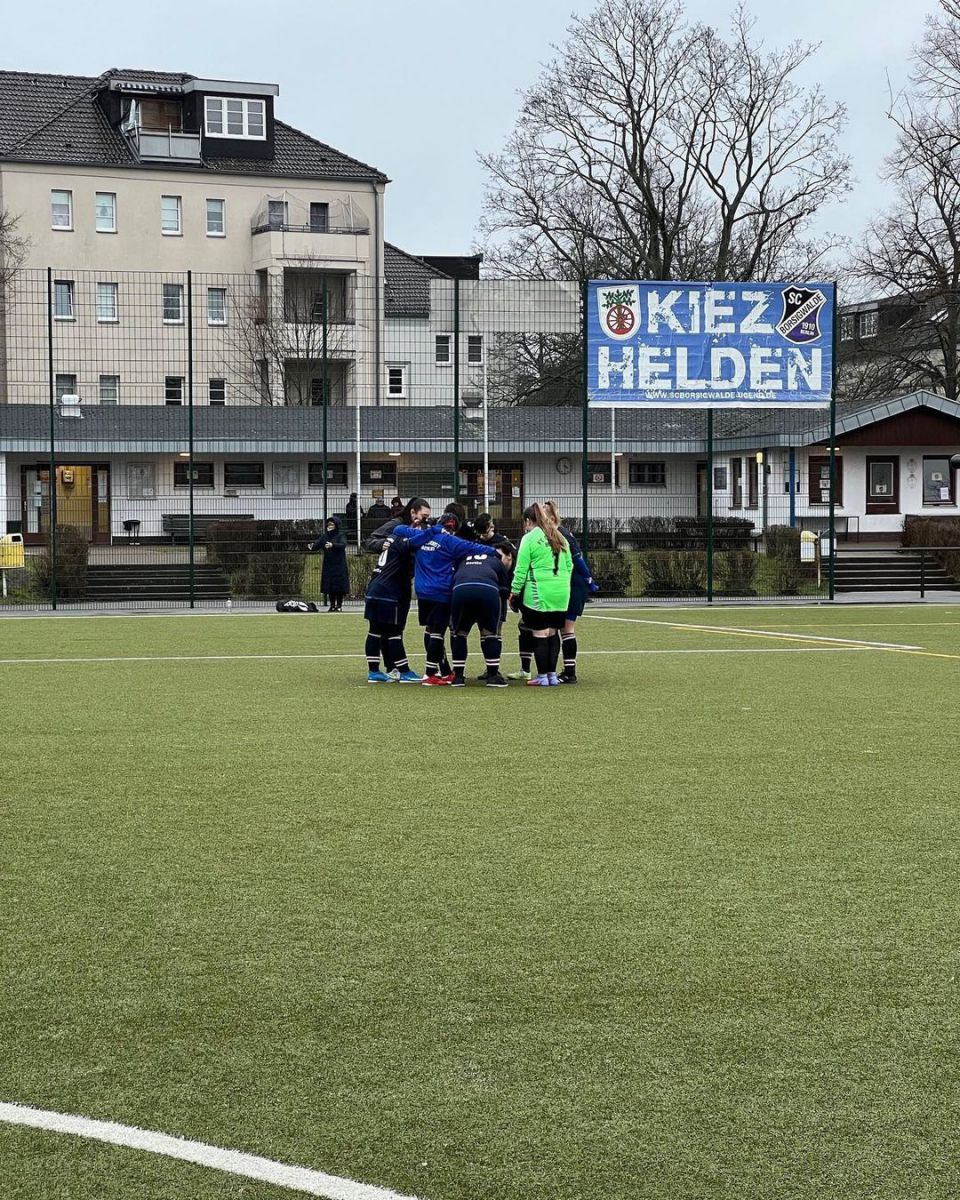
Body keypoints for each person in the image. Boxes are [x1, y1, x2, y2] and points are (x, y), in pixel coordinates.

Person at [391, 511, 488, 685]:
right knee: (438, 632)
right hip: (441, 591)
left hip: (422, 591)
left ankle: (441, 671)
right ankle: (430, 673)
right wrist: (498, 550)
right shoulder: (451, 541)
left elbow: (398, 529)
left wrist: (429, 531)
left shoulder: (422, 535)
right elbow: (476, 548)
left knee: (430, 629)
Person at [362, 502, 431, 683]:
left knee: (375, 631)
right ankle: (403, 671)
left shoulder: (393, 537)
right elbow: (418, 542)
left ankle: (374, 672)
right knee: (394, 631)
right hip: (389, 590)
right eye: (423, 518)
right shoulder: (403, 540)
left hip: (375, 586)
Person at [508, 502, 573, 687]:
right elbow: (570, 565)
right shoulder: (559, 535)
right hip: (561, 593)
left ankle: (542, 676)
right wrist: (561, 583)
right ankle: (552, 676)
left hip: (539, 592)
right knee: (553, 632)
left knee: (540, 633)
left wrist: (514, 592)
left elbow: (521, 569)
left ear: (528, 521)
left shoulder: (529, 538)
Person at [542, 500, 600, 683]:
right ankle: (558, 672)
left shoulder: (561, 534)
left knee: (565, 629)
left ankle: (568, 672)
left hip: (572, 586)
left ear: (551, 518)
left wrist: (588, 579)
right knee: (559, 628)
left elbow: (577, 558)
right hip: (564, 585)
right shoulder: (552, 534)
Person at [449, 542, 513, 688]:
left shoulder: (463, 558)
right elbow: (504, 589)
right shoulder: (496, 560)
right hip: (487, 590)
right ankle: (493, 676)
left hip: (461, 590)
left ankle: (458, 677)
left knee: (459, 633)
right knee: (490, 634)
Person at [310, 517, 349, 613]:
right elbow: (317, 545)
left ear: (336, 525)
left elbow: (343, 545)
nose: (329, 526)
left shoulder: (340, 535)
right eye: (328, 524)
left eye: (332, 524)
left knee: (339, 586)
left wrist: (333, 545)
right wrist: (312, 546)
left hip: (339, 565)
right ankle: (332, 605)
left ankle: (339, 605)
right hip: (328, 565)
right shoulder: (325, 536)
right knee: (330, 586)